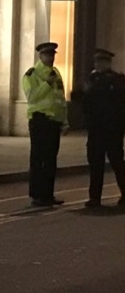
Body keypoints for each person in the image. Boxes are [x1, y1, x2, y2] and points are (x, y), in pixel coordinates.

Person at [75, 49, 125, 208]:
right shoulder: (90, 79)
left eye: (102, 62)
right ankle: (94, 197)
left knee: (117, 162)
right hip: (95, 128)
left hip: (113, 128)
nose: (99, 65)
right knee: (95, 163)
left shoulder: (117, 79)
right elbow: (76, 97)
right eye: (97, 62)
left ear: (108, 64)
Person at [22, 42, 69, 207]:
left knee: (50, 160)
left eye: (53, 55)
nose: (51, 58)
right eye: (47, 55)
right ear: (40, 56)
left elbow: (60, 99)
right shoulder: (31, 75)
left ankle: (48, 194)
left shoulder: (56, 73)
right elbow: (32, 97)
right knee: (38, 158)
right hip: (39, 120)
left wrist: (64, 121)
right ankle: (37, 195)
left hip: (54, 122)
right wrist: (47, 84)